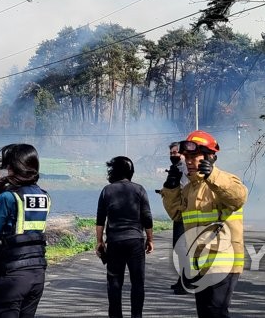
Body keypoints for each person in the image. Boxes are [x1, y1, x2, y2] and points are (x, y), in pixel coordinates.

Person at [161, 130, 247, 318]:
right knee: (205, 313)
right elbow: (176, 213)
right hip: (200, 264)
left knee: (216, 312)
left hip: (223, 263)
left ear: (210, 157)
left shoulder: (225, 180)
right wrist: (171, 188)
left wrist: (213, 175)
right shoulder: (191, 188)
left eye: (194, 156)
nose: (188, 161)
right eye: (186, 157)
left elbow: (238, 197)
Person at [0, 143, 50, 318]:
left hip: (11, 276)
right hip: (37, 274)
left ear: (13, 168)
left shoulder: (8, 197)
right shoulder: (44, 196)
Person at [96, 156, 153, 318]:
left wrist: (99, 242)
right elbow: (147, 218)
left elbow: (100, 220)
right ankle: (137, 316)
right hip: (135, 241)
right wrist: (150, 239)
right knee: (137, 283)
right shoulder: (139, 189)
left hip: (115, 242)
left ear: (114, 172)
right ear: (131, 172)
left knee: (114, 283)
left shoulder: (107, 190)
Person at [166, 141, 190, 295]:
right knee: (178, 247)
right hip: (178, 214)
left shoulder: (186, 169)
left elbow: (186, 190)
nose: (173, 155)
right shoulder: (176, 168)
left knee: (183, 248)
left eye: (176, 152)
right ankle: (182, 278)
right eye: (171, 153)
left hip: (186, 214)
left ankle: (187, 281)